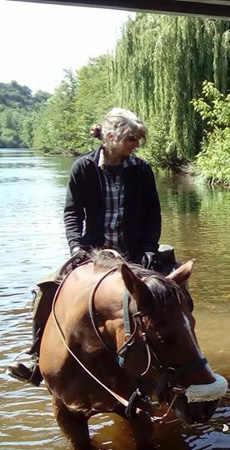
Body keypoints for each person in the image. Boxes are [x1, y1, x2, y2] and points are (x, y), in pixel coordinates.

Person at [7, 107, 163, 386]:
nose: (136, 145)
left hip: (136, 254)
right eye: (131, 139)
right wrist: (76, 248)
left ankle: (179, 358)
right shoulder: (83, 168)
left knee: (173, 291)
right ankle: (35, 358)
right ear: (111, 136)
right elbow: (72, 214)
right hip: (92, 255)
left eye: (138, 139)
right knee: (48, 287)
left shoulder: (142, 170)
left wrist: (151, 248)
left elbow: (154, 213)